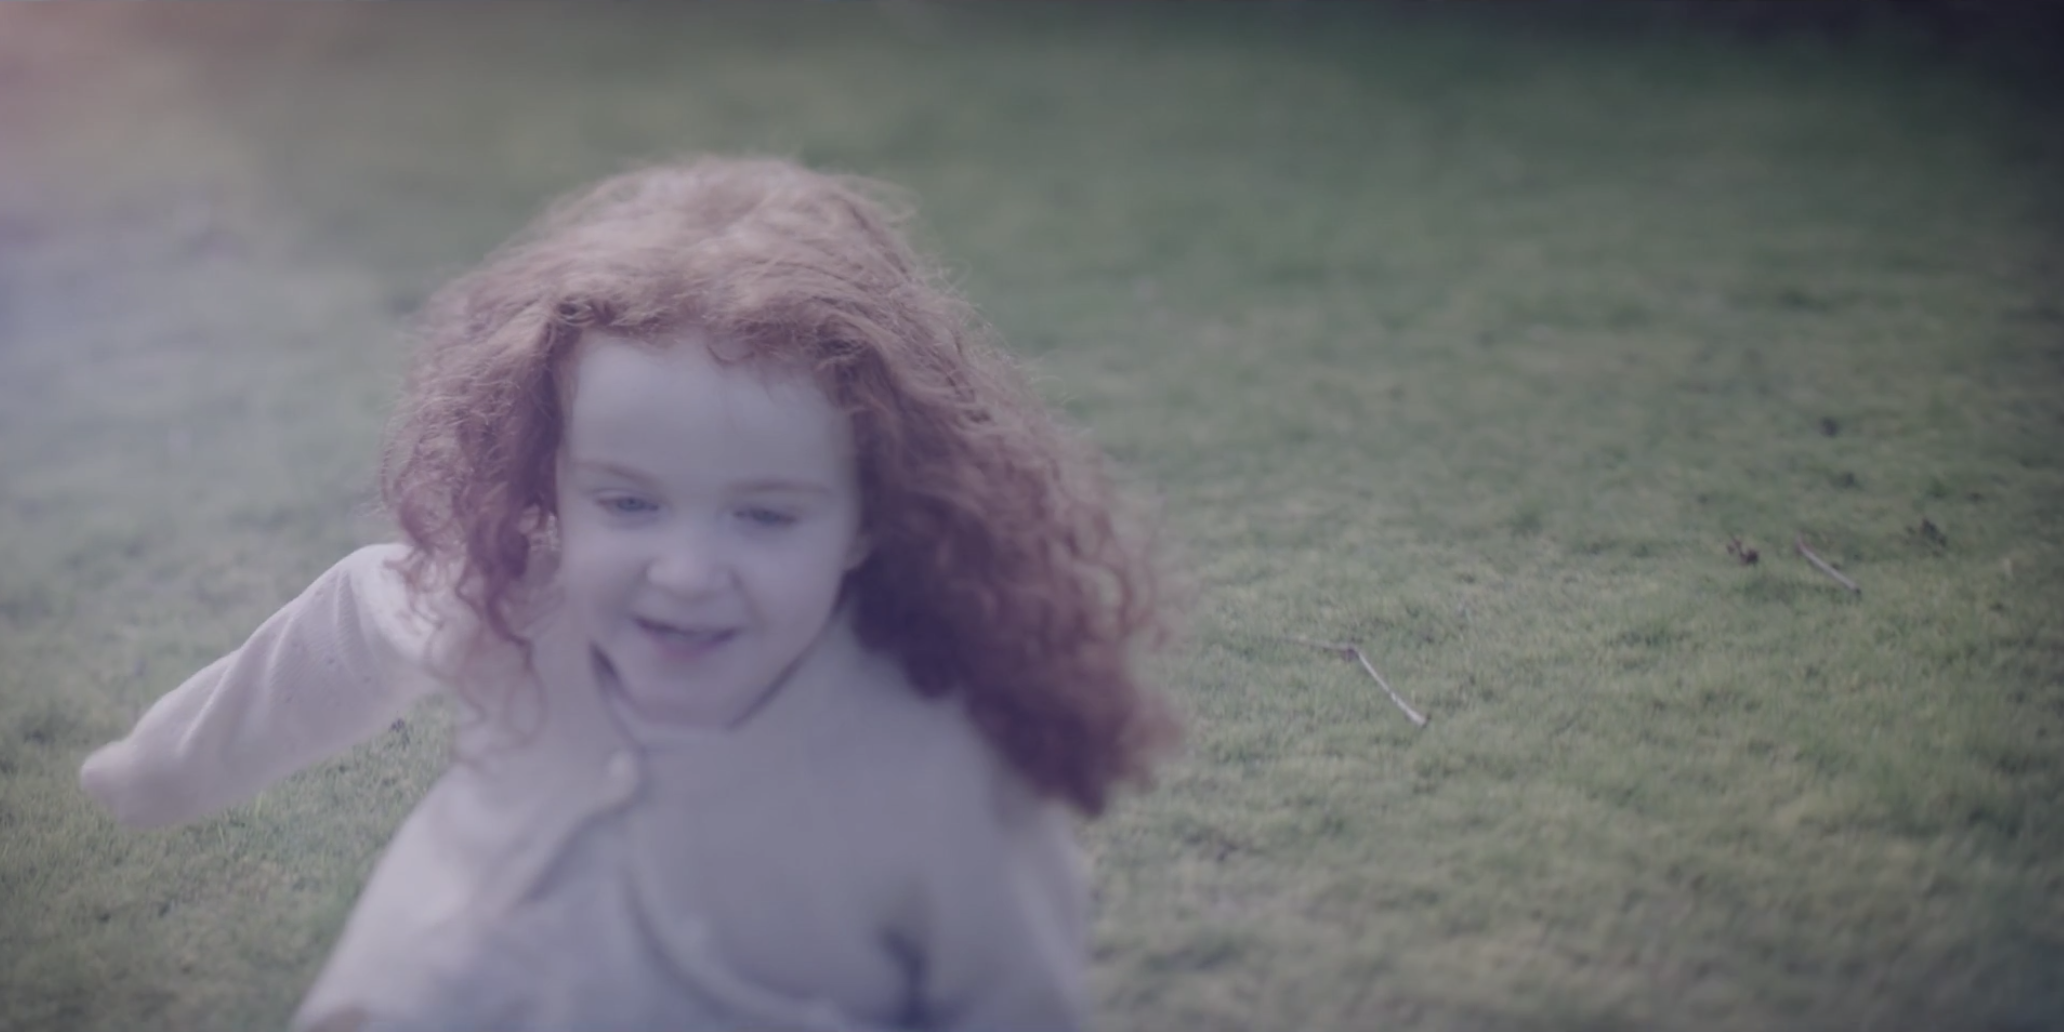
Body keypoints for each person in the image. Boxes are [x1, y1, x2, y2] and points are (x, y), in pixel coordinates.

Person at [78, 156, 1180, 1032]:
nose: (686, 571)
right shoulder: (510, 603)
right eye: (630, 503)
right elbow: (347, 626)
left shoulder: (941, 767)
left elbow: (1014, 1002)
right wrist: (158, 772)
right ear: (549, 483)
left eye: (764, 513)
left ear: (870, 519)